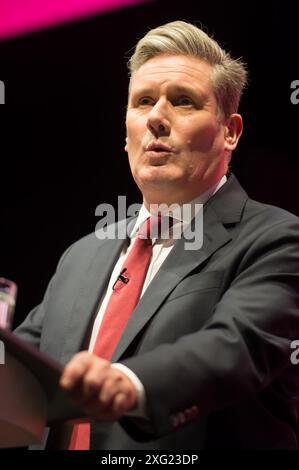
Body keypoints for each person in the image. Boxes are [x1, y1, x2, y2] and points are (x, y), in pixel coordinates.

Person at [15, 20, 299, 449]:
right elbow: (21, 374)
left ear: (230, 132)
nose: (156, 119)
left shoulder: (277, 240)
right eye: (143, 101)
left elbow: (233, 346)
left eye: (183, 102)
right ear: (125, 132)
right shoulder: (81, 256)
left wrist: (128, 383)